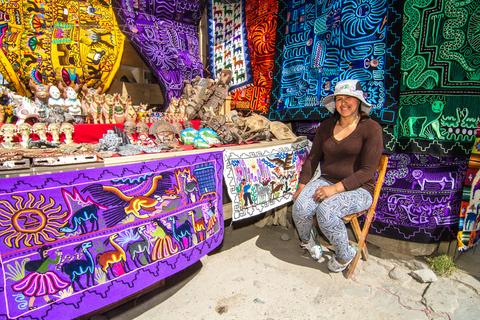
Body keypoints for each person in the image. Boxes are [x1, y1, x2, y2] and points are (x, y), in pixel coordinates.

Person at [292, 79, 383, 272]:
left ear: (359, 101)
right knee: (300, 208)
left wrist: (334, 189)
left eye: (349, 98)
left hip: (359, 189)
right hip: (326, 180)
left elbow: (367, 171)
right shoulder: (326, 126)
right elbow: (313, 157)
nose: (344, 103)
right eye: (339, 99)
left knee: (327, 211)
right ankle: (310, 242)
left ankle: (344, 254)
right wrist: (302, 185)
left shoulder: (371, 128)